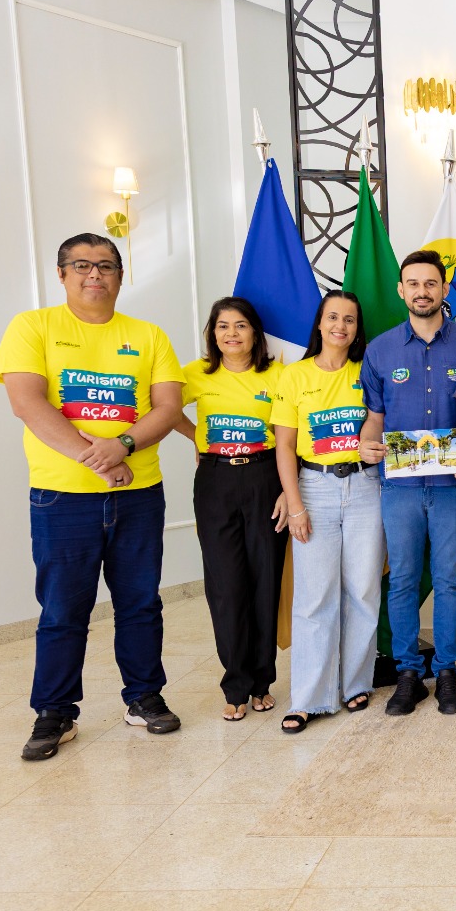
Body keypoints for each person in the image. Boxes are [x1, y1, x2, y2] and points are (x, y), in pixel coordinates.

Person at [0, 232, 184, 760]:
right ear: (62, 275)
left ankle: (144, 696)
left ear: (121, 276)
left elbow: (166, 408)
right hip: (63, 498)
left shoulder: (148, 335)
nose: (94, 274)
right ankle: (55, 712)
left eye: (105, 266)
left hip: (139, 494)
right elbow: (28, 404)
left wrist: (121, 446)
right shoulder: (33, 326)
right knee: (62, 609)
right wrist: (97, 460)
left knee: (141, 603)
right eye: (81, 266)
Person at [358, 250, 456, 717]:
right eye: (413, 283)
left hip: (453, 484)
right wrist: (367, 445)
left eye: (431, 283)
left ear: (445, 289)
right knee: (404, 580)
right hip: (400, 487)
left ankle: (448, 672)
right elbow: (375, 418)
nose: (422, 291)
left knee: (449, 580)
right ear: (401, 290)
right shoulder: (381, 349)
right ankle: (409, 672)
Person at [271, 291, 383, 734]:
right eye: (333, 317)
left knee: (362, 591)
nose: (341, 325)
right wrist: (294, 503)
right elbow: (283, 446)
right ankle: (310, 698)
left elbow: (380, 422)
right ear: (319, 324)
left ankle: (355, 682)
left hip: (365, 488)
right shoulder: (293, 376)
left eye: (350, 319)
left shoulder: (367, 371)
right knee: (314, 597)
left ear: (357, 329)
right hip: (313, 489)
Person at [173, 297, 289, 721]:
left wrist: (285, 489)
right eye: (223, 326)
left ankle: (262, 682)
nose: (232, 334)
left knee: (264, 581)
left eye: (240, 326)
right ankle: (236, 684)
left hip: (265, 480)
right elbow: (164, 408)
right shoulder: (196, 375)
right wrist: (197, 438)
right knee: (225, 586)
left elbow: (289, 433)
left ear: (255, 333)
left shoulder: (277, 375)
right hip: (216, 482)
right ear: (213, 334)